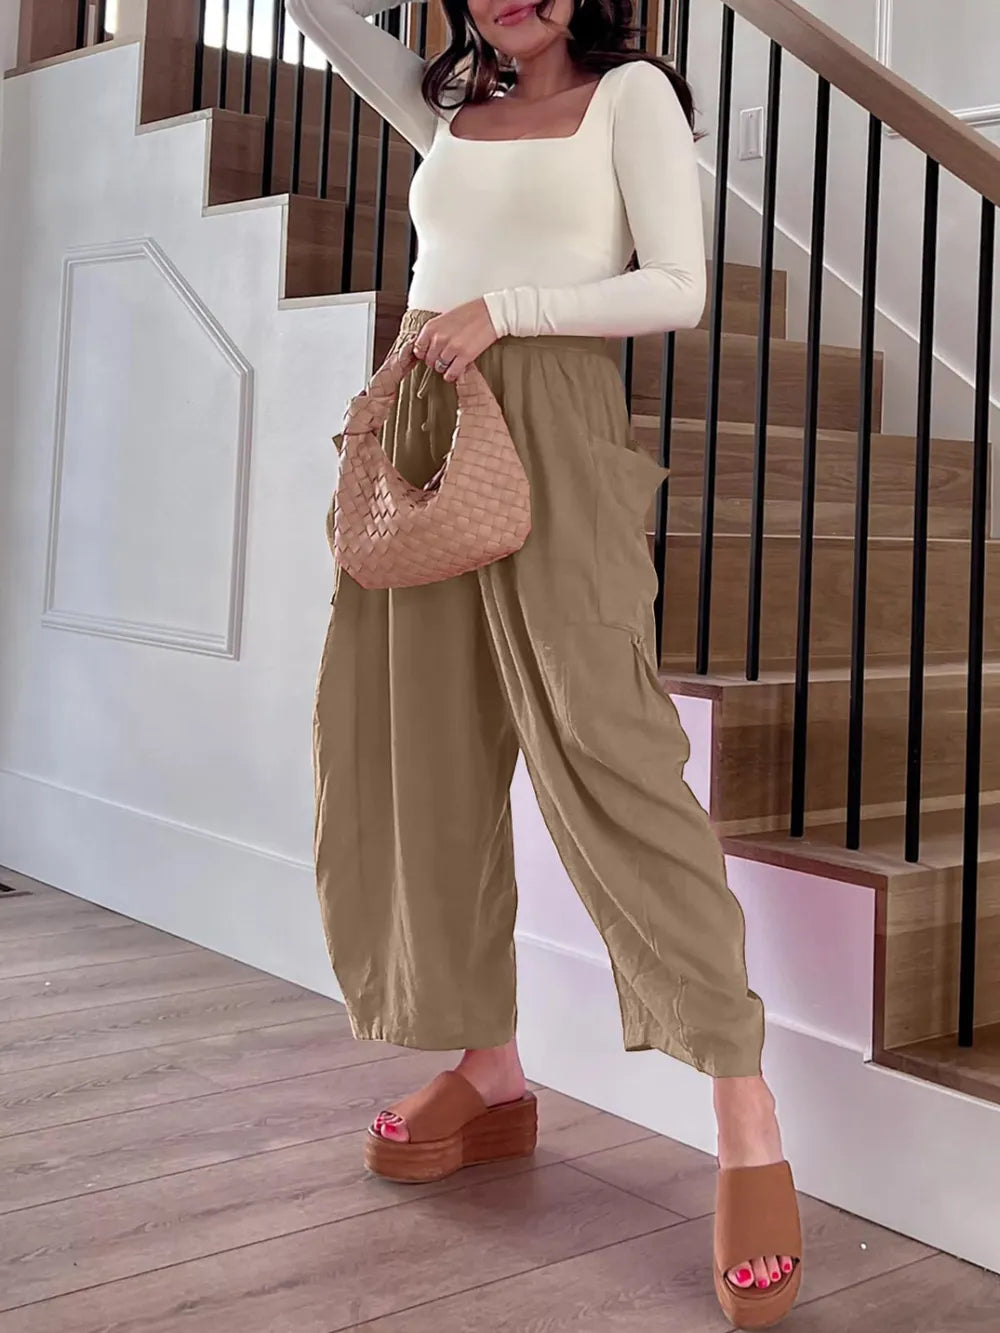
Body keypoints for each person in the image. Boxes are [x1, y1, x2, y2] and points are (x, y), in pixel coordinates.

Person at [289, 0, 802, 1322]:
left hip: (556, 419)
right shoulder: (445, 101)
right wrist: (440, 336)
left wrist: (497, 309)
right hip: (418, 419)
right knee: (420, 759)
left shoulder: (632, 97)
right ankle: (492, 1066)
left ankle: (746, 1117)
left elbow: (677, 288)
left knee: (611, 752)